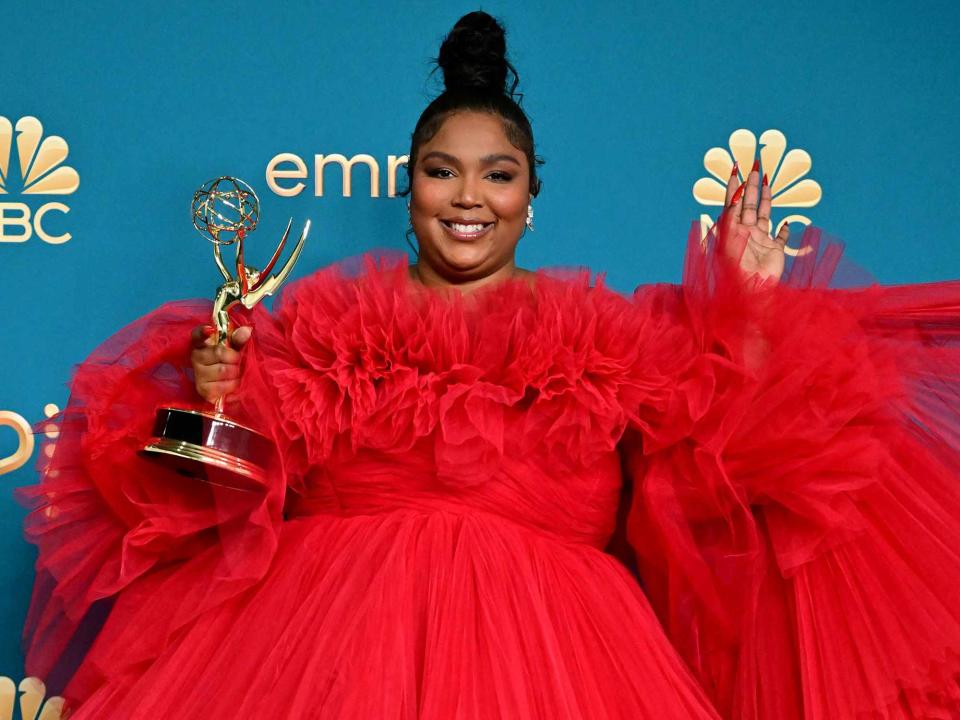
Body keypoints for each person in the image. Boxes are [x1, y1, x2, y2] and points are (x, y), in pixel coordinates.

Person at [17, 10, 960, 719]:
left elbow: (726, 465)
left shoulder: (609, 337)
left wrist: (746, 311)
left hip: (568, 665)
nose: (469, 197)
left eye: (497, 174)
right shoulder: (315, 327)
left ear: (530, 194)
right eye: (442, 169)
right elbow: (223, 506)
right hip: (322, 656)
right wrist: (216, 401)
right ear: (409, 184)